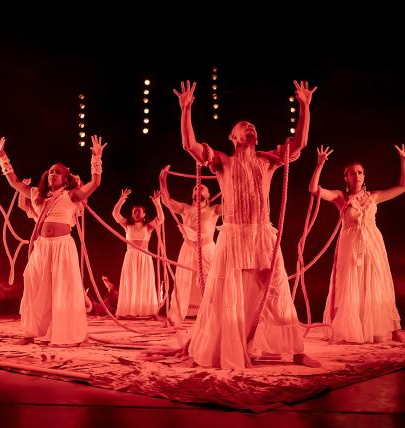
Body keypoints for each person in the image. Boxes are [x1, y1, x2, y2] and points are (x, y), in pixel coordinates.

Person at [173, 80, 320, 369]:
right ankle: (223, 345)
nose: (250, 127)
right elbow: (189, 145)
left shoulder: (268, 160)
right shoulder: (223, 161)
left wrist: (305, 106)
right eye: (244, 125)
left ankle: (297, 350)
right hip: (234, 233)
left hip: (262, 233)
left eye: (253, 125)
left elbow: (300, 143)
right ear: (233, 136)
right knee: (226, 293)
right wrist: (186, 110)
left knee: (276, 289)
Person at [0, 135, 106, 346]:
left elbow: (96, 182)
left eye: (59, 172)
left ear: (66, 179)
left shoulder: (71, 195)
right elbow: (14, 182)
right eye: (51, 171)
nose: (53, 174)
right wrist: (3, 157)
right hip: (42, 247)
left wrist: (96, 157)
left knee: (63, 288)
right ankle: (31, 332)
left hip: (63, 246)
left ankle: (64, 334)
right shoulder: (36, 194)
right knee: (34, 285)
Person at [309, 144, 405, 343]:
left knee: (376, 283)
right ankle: (353, 329)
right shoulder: (340, 197)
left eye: (360, 172)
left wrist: (403, 161)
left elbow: (403, 187)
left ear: (364, 176)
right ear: (346, 178)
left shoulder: (374, 197)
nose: (356, 176)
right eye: (352, 173)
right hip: (350, 244)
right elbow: (313, 189)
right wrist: (319, 165)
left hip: (372, 243)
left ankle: (387, 327)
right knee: (351, 283)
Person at [159, 178, 221, 325]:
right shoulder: (185, 209)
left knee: (211, 281)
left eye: (202, 187)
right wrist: (163, 180)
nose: (198, 188)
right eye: (195, 188)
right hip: (188, 249)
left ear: (208, 194)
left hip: (207, 249)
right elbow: (166, 201)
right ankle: (176, 316)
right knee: (183, 281)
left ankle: (214, 315)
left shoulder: (214, 210)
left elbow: (234, 207)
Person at [112, 188, 164, 317]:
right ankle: (129, 310)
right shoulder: (127, 225)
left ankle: (145, 310)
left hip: (144, 256)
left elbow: (161, 218)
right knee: (131, 282)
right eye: (134, 212)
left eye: (139, 212)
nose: (136, 214)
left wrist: (157, 203)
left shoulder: (149, 226)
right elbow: (115, 214)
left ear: (144, 214)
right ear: (132, 214)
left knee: (143, 282)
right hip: (131, 256)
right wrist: (121, 200)